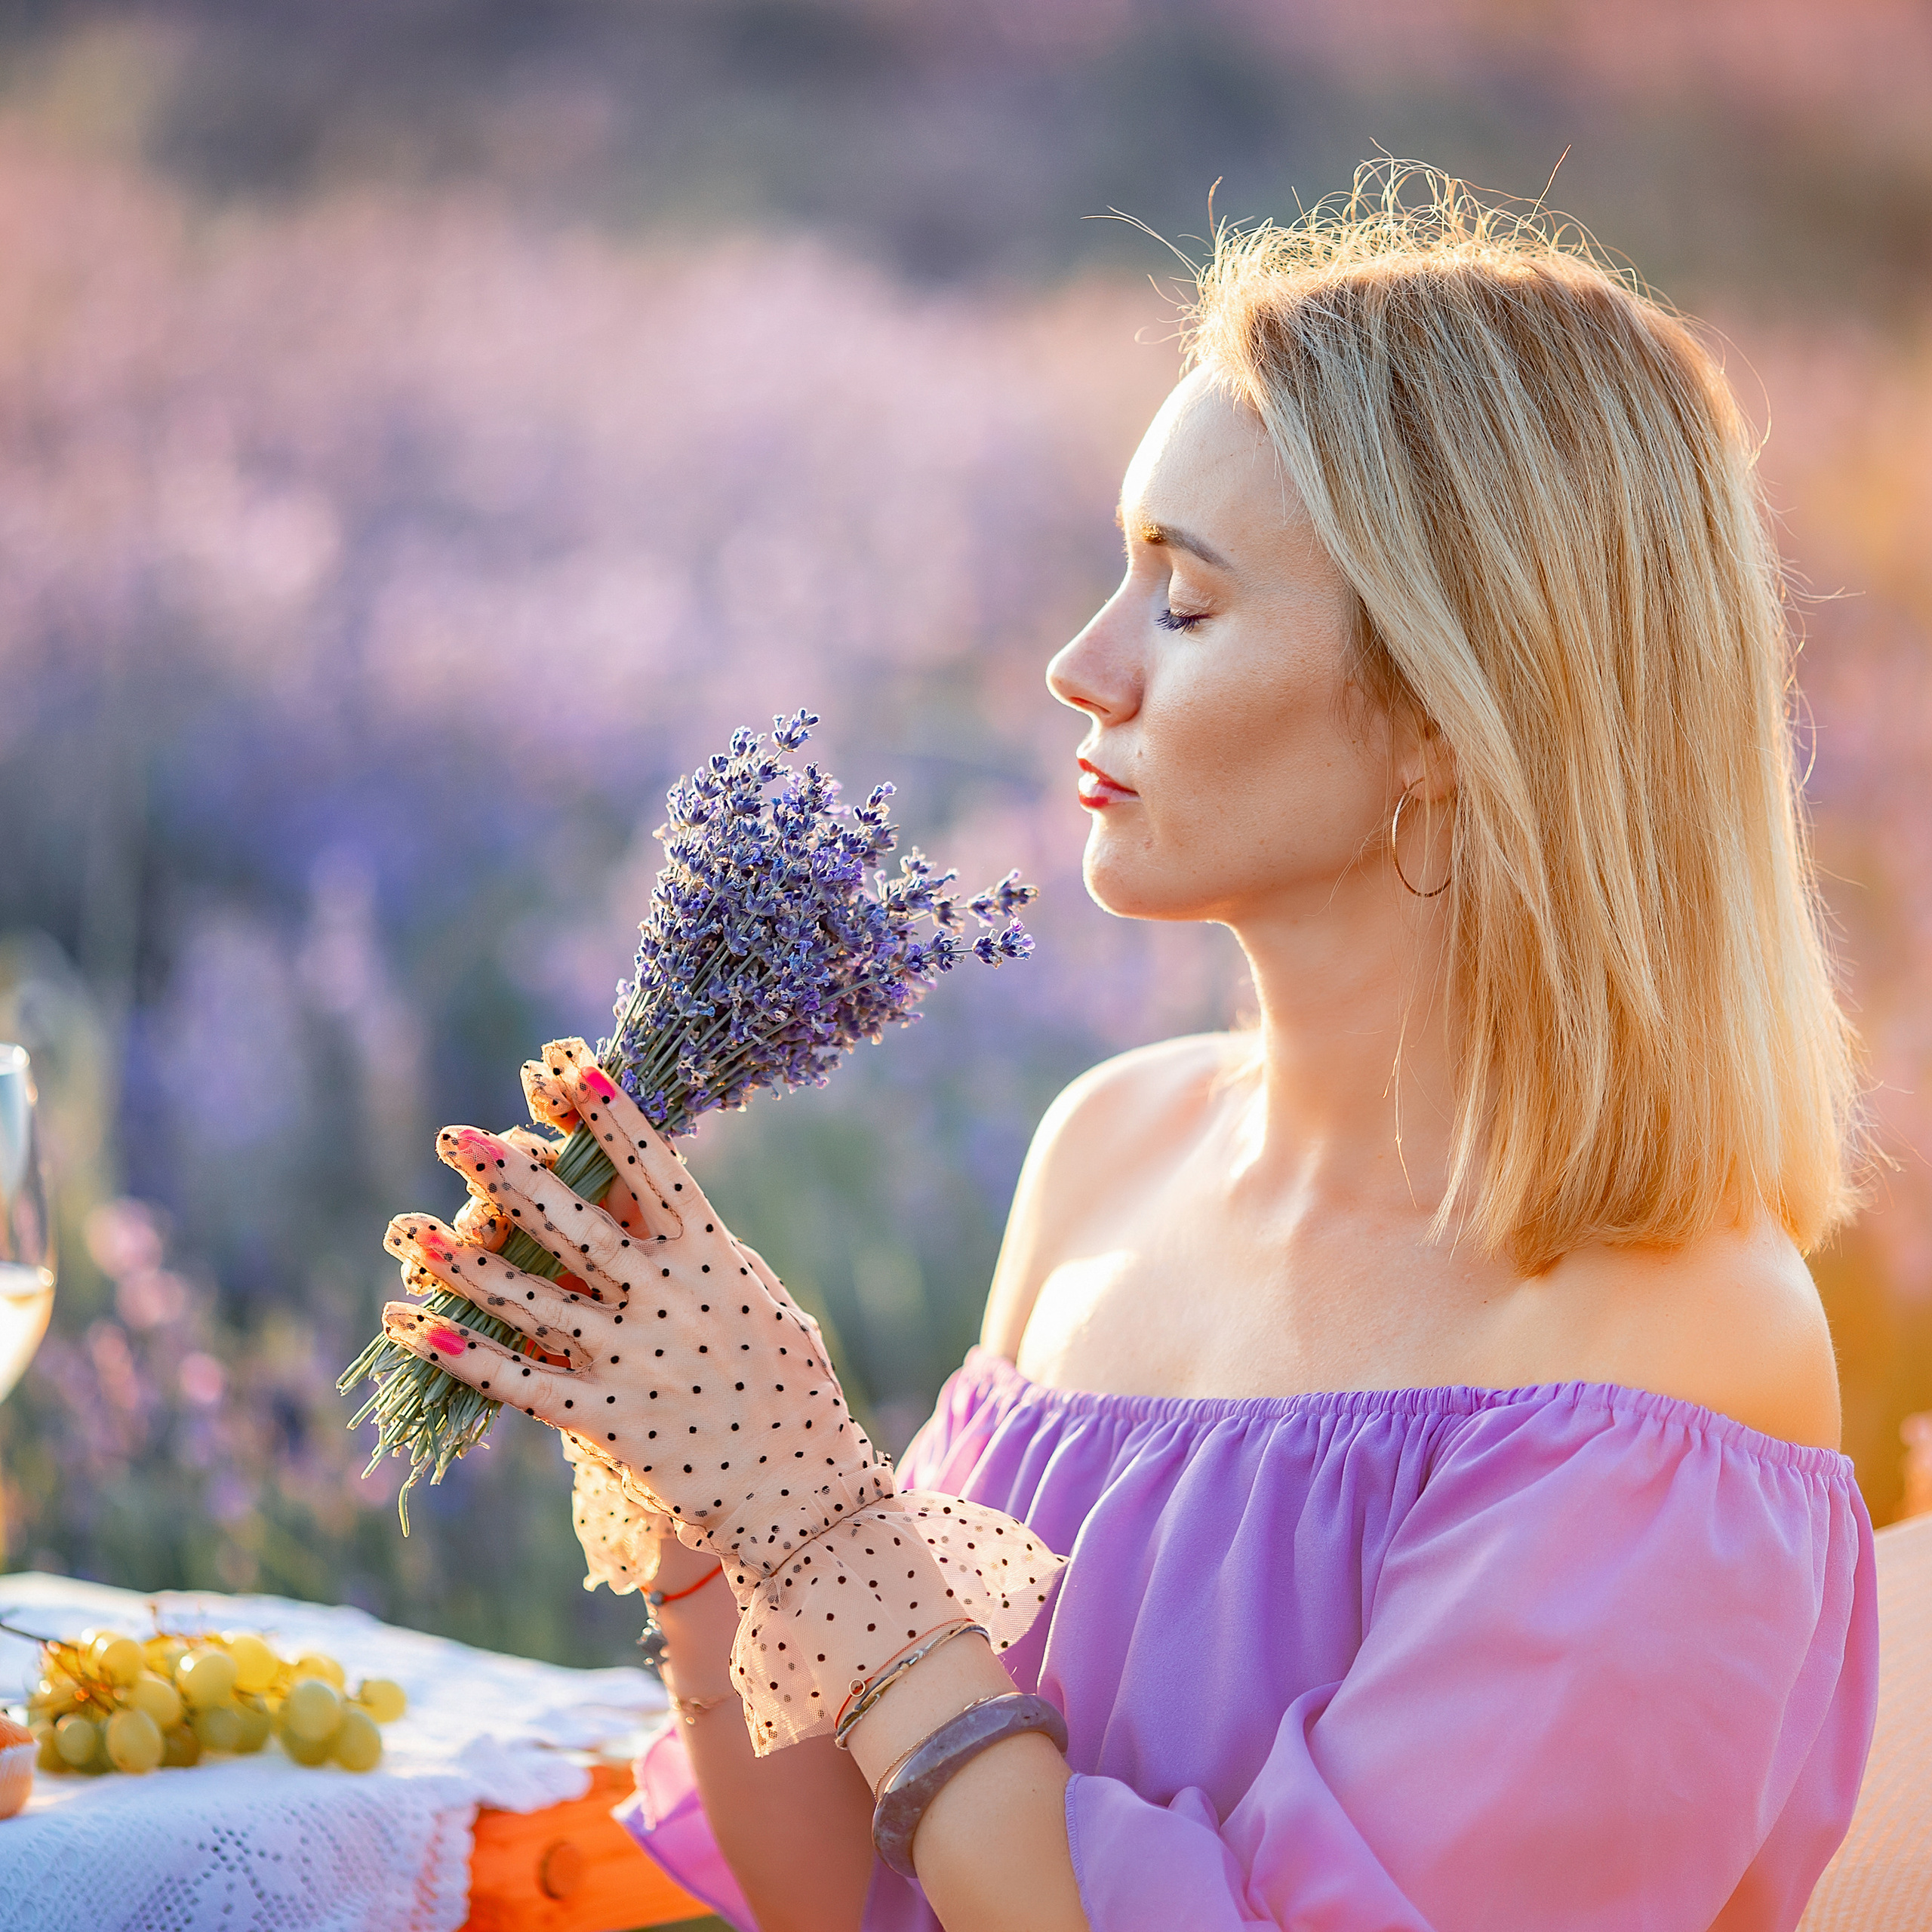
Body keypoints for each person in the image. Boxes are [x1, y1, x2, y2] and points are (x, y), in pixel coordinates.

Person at [383, 168, 1878, 1932]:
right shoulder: (1105, 1152)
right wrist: (706, 1483)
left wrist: (822, 1515)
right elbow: (847, 1884)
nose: (1078, 664)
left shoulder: (1664, 1351)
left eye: (1183, 601)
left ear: (1445, 711)